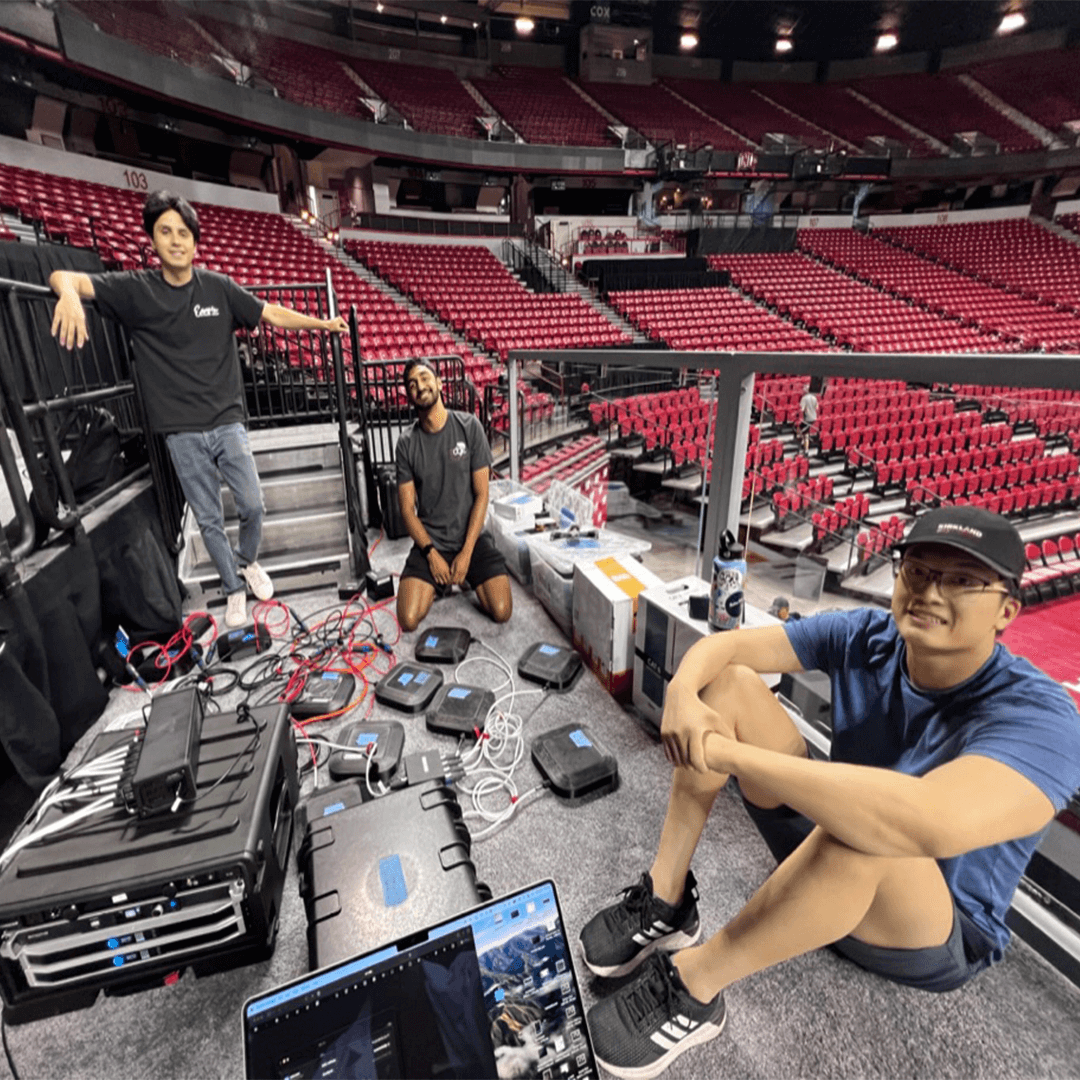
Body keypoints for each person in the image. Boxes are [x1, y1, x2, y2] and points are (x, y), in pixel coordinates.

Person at [580, 506, 1080, 1079]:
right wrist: (684, 693)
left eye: (963, 581)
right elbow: (728, 650)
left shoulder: (1042, 717)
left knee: (869, 832)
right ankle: (665, 900)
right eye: (917, 570)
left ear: (1007, 610)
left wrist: (724, 754)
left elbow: (925, 820)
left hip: (935, 927)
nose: (930, 593)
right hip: (831, 849)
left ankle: (696, 985)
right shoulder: (871, 635)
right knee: (732, 689)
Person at [49, 190, 348, 628]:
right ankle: (232, 590)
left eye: (183, 233)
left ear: (195, 241)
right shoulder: (136, 290)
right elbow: (63, 275)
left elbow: (269, 314)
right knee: (208, 519)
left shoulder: (218, 287)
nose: (175, 240)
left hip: (227, 419)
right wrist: (70, 296)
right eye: (165, 231)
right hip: (181, 429)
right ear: (153, 239)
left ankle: (246, 561)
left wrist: (322, 324)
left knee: (253, 505)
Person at [395, 359, 512, 633]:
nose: (419, 386)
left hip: (470, 538)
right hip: (431, 543)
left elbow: (483, 495)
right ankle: (440, 579)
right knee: (408, 620)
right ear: (409, 396)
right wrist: (431, 554)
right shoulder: (406, 443)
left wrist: (467, 552)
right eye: (412, 384)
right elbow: (407, 511)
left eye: (424, 378)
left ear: (439, 384)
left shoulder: (469, 427)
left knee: (502, 611)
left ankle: (464, 576)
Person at [798, 383, 819, 453]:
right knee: (804, 431)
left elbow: (801, 409)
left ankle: (805, 446)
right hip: (814, 418)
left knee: (803, 432)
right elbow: (817, 408)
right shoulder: (814, 397)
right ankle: (804, 442)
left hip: (807, 418)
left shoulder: (804, 398)